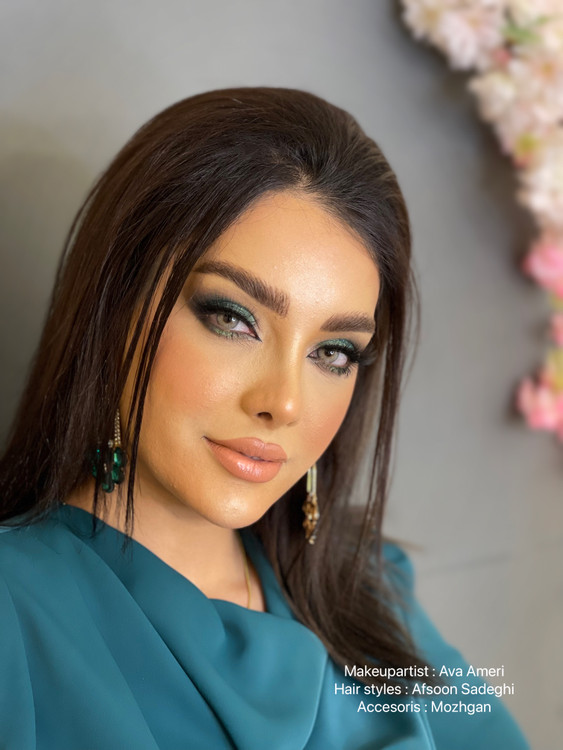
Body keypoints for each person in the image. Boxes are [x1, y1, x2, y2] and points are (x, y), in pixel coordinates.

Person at [0, 87, 529, 749]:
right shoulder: (15, 613)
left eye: (333, 352)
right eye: (233, 319)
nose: (284, 402)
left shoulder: (366, 587)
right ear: (117, 304)